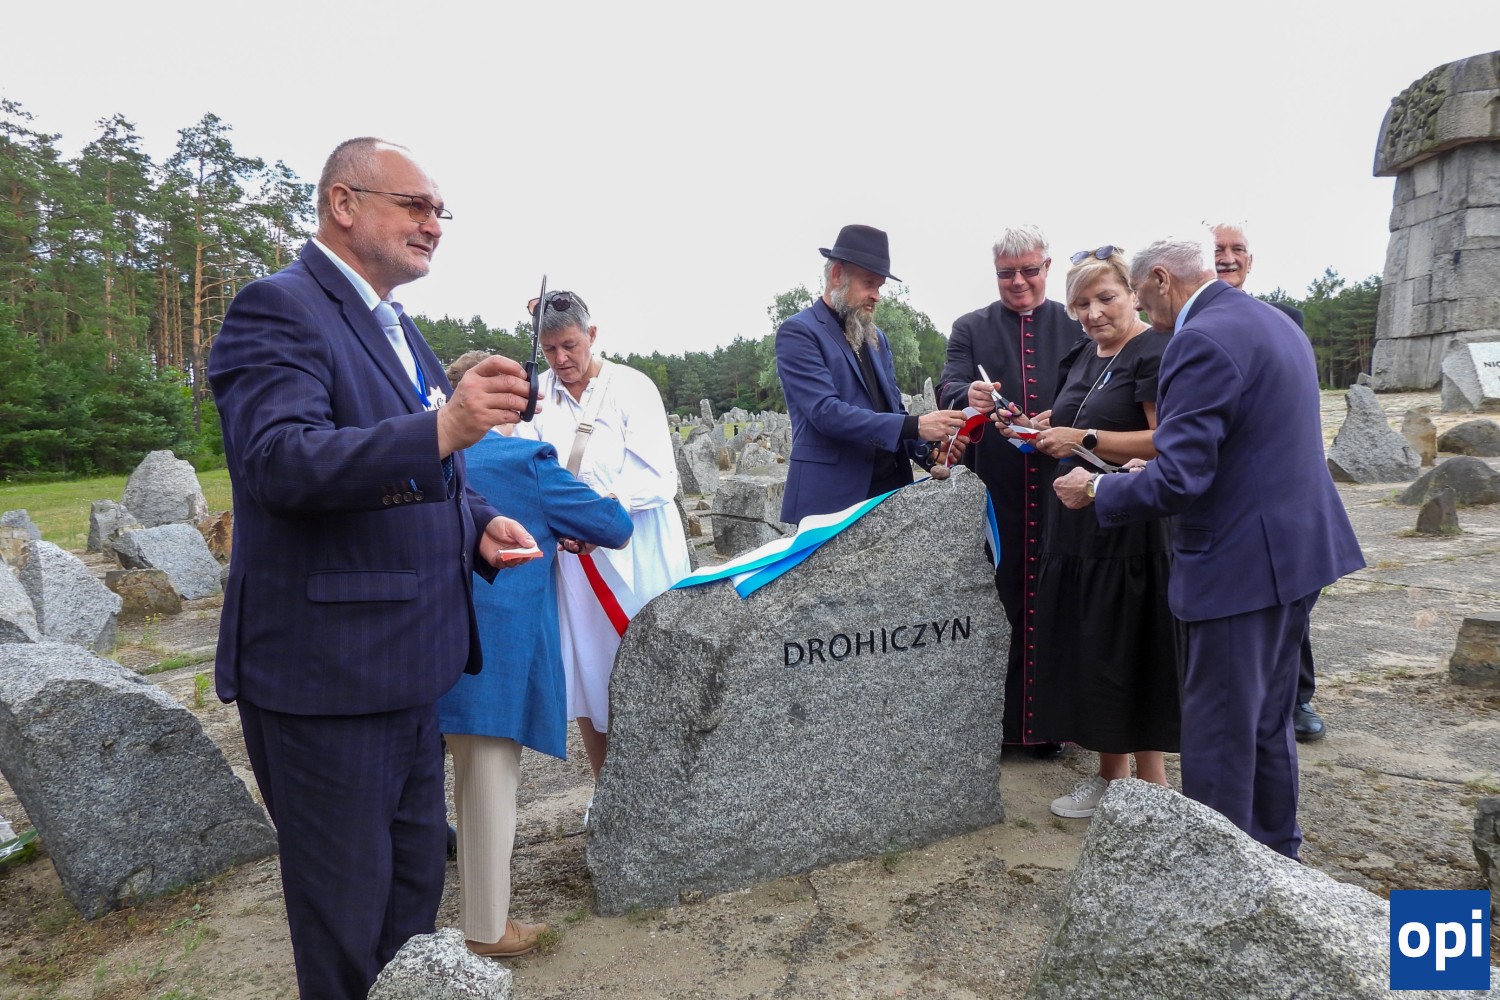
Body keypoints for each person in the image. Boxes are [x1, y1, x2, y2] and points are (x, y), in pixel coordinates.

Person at [208, 137, 541, 999]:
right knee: (346, 923)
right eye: (415, 205)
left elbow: (429, 465)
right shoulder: (278, 308)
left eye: (441, 211)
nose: (435, 224)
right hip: (327, 678)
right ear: (343, 204)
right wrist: (443, 428)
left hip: (409, 670)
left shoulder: (397, 326)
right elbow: (280, 463)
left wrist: (478, 522)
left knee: (408, 901)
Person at [1055, 235, 1363, 859]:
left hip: (1239, 566)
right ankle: (1274, 856)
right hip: (1298, 552)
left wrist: (1097, 489)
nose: (1146, 314)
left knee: (1220, 736)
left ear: (1161, 280)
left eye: (1141, 296)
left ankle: (1214, 881)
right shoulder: (1272, 321)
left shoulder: (1199, 340)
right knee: (1266, 722)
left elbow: (1181, 478)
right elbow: (1245, 443)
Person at [438, 351, 632, 959]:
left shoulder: (426, 453)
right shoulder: (527, 461)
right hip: (493, 652)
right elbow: (613, 525)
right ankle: (486, 928)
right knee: (486, 786)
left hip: (420, 644)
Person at [1017, 247, 1179, 819]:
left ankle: (1153, 787)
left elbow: (1164, 441)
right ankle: (1112, 777)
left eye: (1105, 298)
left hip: (1130, 532)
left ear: (1133, 294)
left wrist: (1081, 437)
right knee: (1097, 654)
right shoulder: (1083, 354)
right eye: (1081, 303)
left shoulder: (1153, 351)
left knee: (1132, 650)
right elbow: (1078, 421)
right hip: (1077, 530)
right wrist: (1042, 428)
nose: (1093, 313)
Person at [512, 291, 690, 783]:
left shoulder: (631, 387)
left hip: (641, 551)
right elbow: (528, 471)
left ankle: (671, 787)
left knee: (657, 668)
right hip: (576, 562)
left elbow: (659, 479)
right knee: (592, 673)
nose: (560, 359)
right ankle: (607, 791)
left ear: (592, 335)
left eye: (570, 345)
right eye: (550, 350)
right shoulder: (537, 400)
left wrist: (599, 516)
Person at [937, 224, 1084, 756]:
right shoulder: (970, 326)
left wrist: (1060, 416)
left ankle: (1052, 726)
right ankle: (999, 725)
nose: (1018, 281)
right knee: (999, 600)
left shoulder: (1076, 322)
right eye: (1006, 273)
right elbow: (949, 384)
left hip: (1062, 483)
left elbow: (1098, 386)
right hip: (998, 487)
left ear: (1047, 268)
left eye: (1029, 270)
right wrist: (969, 393)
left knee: (1059, 601)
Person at [1210, 220, 1324, 743]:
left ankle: (1296, 696)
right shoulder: (1177, 328)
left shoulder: (1283, 320)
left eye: (1238, 249)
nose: (1228, 257)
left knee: (1286, 595)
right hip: (1211, 482)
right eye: (1218, 249)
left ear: (1251, 261)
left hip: (1270, 484)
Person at [775, 224, 968, 524]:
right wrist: (918, 426)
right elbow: (826, 413)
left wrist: (930, 453)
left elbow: (894, 411)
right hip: (831, 500)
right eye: (869, 284)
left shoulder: (875, 338)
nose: (876, 295)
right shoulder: (799, 332)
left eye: (879, 286)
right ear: (837, 275)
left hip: (889, 495)